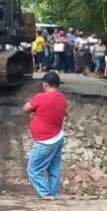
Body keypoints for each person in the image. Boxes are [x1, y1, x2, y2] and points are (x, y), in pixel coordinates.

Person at [23, 71, 67, 199]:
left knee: (33, 170)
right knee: (54, 168)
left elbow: (26, 108)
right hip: (58, 136)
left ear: (46, 84)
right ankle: (54, 193)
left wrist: (34, 112)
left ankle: (46, 194)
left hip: (45, 140)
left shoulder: (41, 97)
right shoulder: (62, 98)